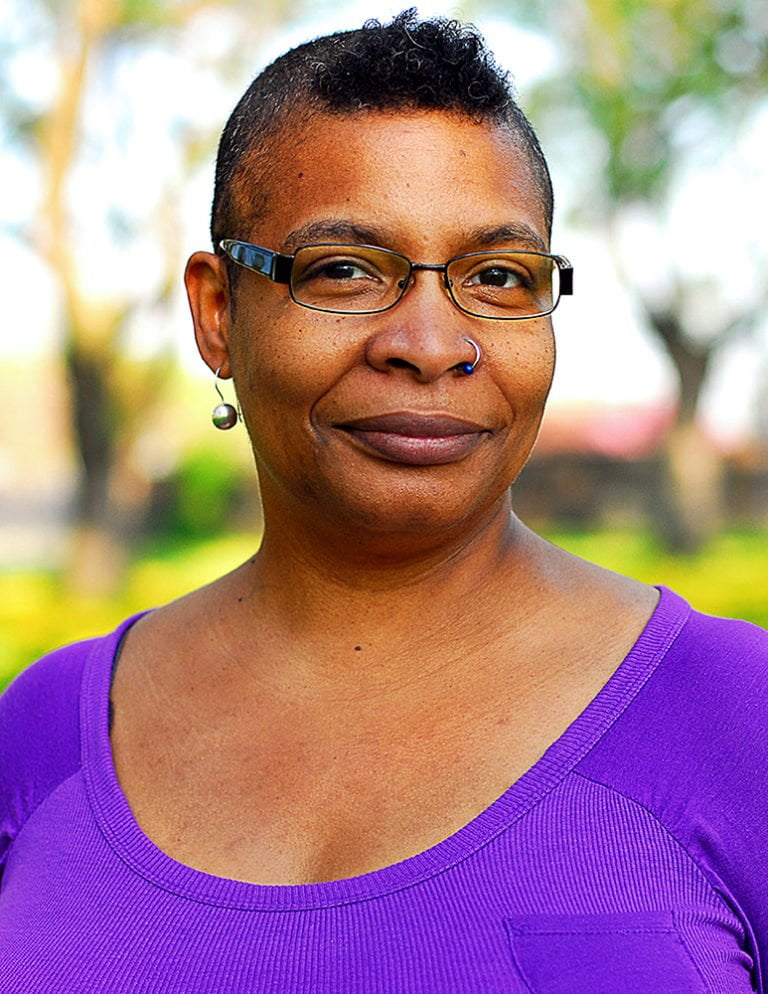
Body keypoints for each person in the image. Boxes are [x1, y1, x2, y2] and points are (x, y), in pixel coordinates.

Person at [1, 10, 767, 992]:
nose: (430, 343)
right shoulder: (48, 733)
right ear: (217, 313)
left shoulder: (735, 715)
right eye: (347, 270)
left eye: (498, 276)